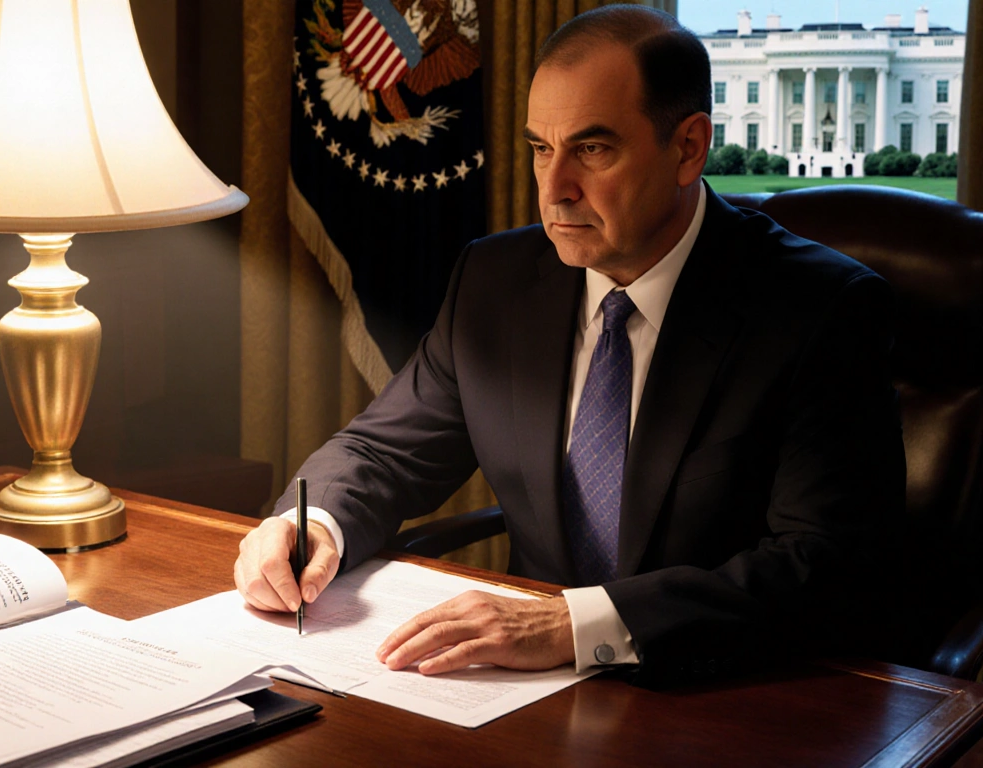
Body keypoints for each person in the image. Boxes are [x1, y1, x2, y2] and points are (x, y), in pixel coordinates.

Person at [233, 5, 903, 687]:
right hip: (518, 693)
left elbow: (823, 565)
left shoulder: (819, 309)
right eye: (540, 149)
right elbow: (383, 450)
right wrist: (311, 526)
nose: (553, 190)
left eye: (592, 149)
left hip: (729, 689)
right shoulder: (494, 281)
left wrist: (576, 626)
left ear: (688, 148)